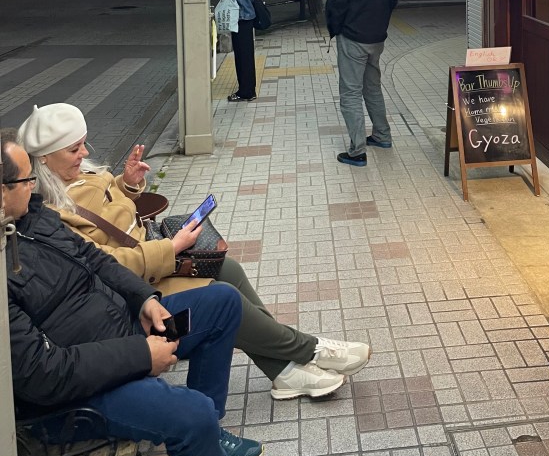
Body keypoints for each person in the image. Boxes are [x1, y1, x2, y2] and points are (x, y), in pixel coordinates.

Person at [2, 128, 288, 456]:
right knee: (192, 411)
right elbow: (43, 373)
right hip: (80, 392)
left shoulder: (32, 219)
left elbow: (95, 259)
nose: (34, 185)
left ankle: (205, 439)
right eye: (26, 179)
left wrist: (144, 299)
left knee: (222, 304)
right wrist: (141, 357)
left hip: (122, 331)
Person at [19, 103, 371, 401]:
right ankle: (310, 350)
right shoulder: (51, 211)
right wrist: (170, 248)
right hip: (131, 294)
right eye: (74, 149)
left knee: (228, 269)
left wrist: (128, 183)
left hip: (149, 268)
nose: (85, 154)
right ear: (45, 159)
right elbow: (103, 264)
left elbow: (112, 210)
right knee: (224, 296)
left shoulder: (81, 175)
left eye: (84, 144)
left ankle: (284, 371)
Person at [326, 0, 398, 166]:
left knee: (350, 93)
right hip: (377, 37)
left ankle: (357, 150)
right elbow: (393, 0)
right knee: (372, 87)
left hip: (353, 37)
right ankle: (382, 134)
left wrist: (334, 28)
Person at [215, 0, 259, 103]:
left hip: (239, 18)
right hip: (249, 17)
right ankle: (250, 89)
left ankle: (245, 92)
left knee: (241, 57)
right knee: (247, 56)